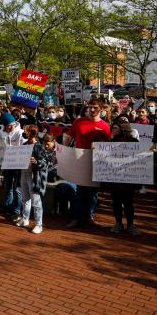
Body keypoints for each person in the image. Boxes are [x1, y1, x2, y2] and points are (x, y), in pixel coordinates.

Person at [65, 98, 112, 228]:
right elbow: (69, 137)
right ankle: (76, 217)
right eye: (90, 107)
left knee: (92, 192)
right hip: (79, 161)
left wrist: (99, 145)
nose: (91, 110)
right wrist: (64, 152)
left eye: (95, 107)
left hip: (96, 163)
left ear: (101, 109)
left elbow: (109, 146)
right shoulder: (79, 122)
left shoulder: (105, 126)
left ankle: (89, 215)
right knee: (78, 191)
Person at [106, 119, 141, 235]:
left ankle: (130, 225)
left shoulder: (134, 142)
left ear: (123, 129)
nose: (112, 130)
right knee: (116, 202)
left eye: (115, 128)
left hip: (129, 179)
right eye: (112, 128)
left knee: (128, 202)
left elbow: (140, 158)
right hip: (114, 179)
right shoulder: (110, 143)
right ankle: (118, 223)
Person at [20, 129, 56, 234]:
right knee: (25, 198)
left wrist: (36, 162)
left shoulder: (39, 147)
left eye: (27, 132)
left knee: (36, 201)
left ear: (33, 133)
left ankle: (38, 224)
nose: (24, 133)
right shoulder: (24, 144)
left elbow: (46, 163)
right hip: (23, 173)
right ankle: (25, 219)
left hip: (34, 176)